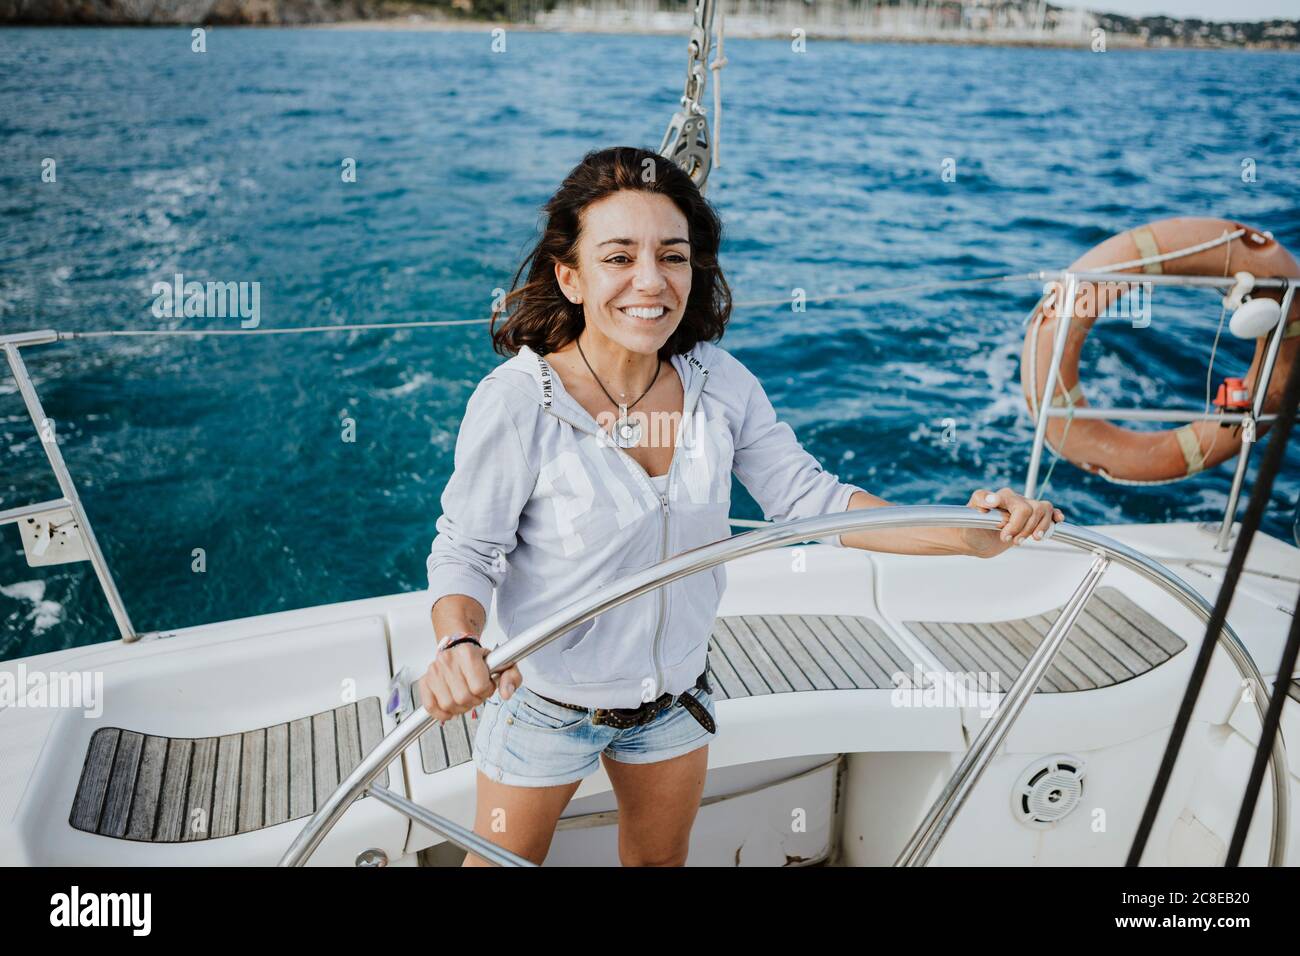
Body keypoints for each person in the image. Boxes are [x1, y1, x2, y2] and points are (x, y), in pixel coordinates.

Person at [421, 145, 1064, 867]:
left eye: (672, 256)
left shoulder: (720, 386)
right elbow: (468, 551)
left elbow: (813, 501)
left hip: (672, 701)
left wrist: (970, 534)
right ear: (569, 276)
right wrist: (458, 642)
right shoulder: (517, 402)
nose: (650, 281)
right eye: (618, 257)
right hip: (545, 703)